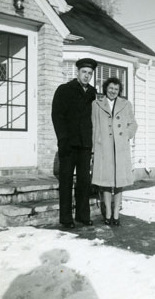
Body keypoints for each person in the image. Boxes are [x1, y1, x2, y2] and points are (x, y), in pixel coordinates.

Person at [52, 58, 97, 229]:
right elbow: (57, 115)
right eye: (84, 72)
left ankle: (82, 215)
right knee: (66, 181)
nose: (87, 76)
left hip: (85, 144)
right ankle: (66, 218)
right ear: (77, 72)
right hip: (68, 144)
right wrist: (62, 139)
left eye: (90, 73)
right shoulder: (64, 90)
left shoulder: (93, 93)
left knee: (84, 181)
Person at [91, 77, 138, 226]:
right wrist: (95, 145)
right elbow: (93, 126)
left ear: (119, 91)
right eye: (111, 88)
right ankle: (108, 214)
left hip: (120, 149)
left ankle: (116, 214)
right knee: (105, 182)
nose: (113, 91)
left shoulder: (126, 104)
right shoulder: (96, 104)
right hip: (103, 148)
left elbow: (133, 124)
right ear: (106, 88)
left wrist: (126, 137)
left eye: (116, 89)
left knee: (119, 183)